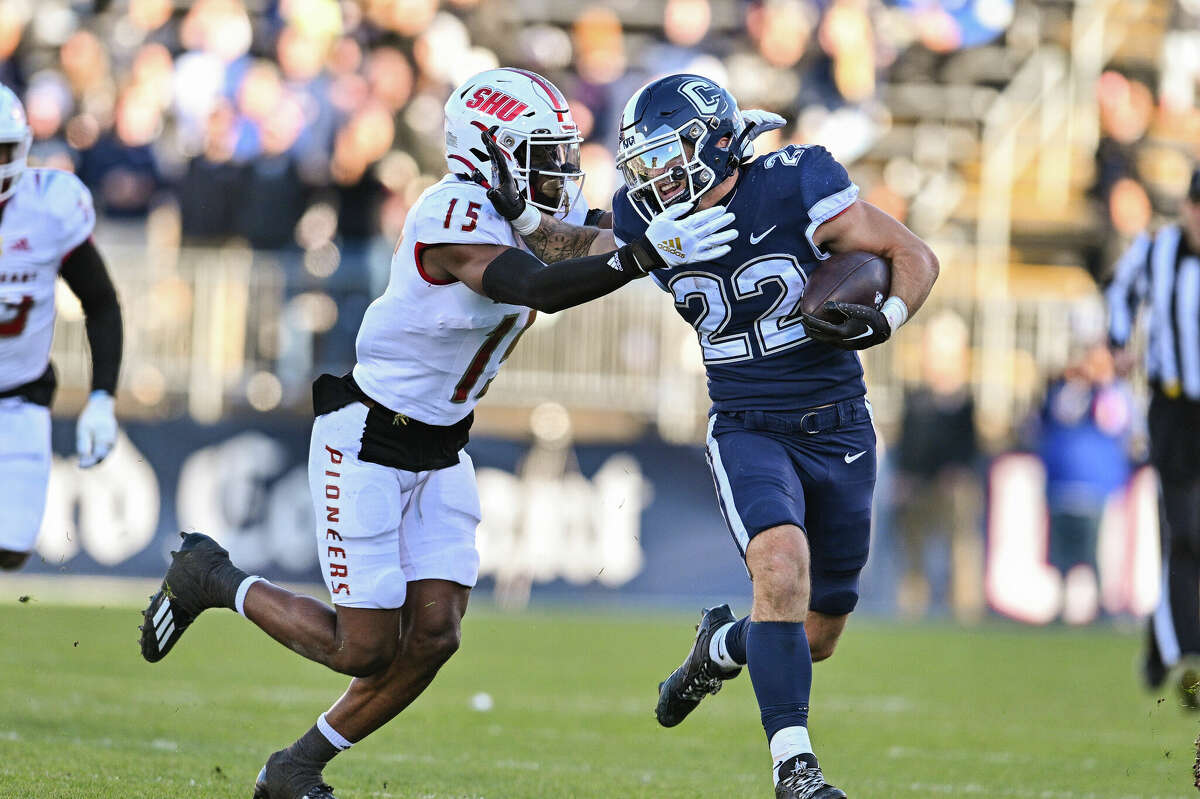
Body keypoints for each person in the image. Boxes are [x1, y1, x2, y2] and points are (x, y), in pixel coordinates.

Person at [137, 68, 737, 799]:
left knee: (436, 635)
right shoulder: (447, 213)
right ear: (487, 154)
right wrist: (644, 253)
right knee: (361, 645)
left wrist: (715, 189)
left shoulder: (523, 207)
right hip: (367, 437)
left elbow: (581, 237)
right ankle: (211, 576)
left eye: (558, 150)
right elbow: (537, 283)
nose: (559, 168)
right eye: (540, 152)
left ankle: (295, 767)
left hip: (442, 443)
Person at [483, 74, 939, 798]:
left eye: (670, 157)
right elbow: (579, 246)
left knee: (814, 635)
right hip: (746, 423)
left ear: (717, 142)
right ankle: (796, 769)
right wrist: (526, 220)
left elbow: (915, 256)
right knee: (779, 568)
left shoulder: (796, 184)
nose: (655, 179)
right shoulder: (648, 213)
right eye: (646, 164)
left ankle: (721, 646)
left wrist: (886, 320)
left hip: (838, 424)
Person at [0, 84, 122, 572]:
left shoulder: (50, 206)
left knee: (10, 547)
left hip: (20, 396)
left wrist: (102, 397)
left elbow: (101, 302)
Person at [1106, 165, 1200, 708]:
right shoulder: (1158, 251)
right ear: (1187, 207)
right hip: (1172, 409)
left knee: (1193, 534)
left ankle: (1161, 641)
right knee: (1183, 530)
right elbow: (1120, 293)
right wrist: (1119, 341)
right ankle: (1187, 655)